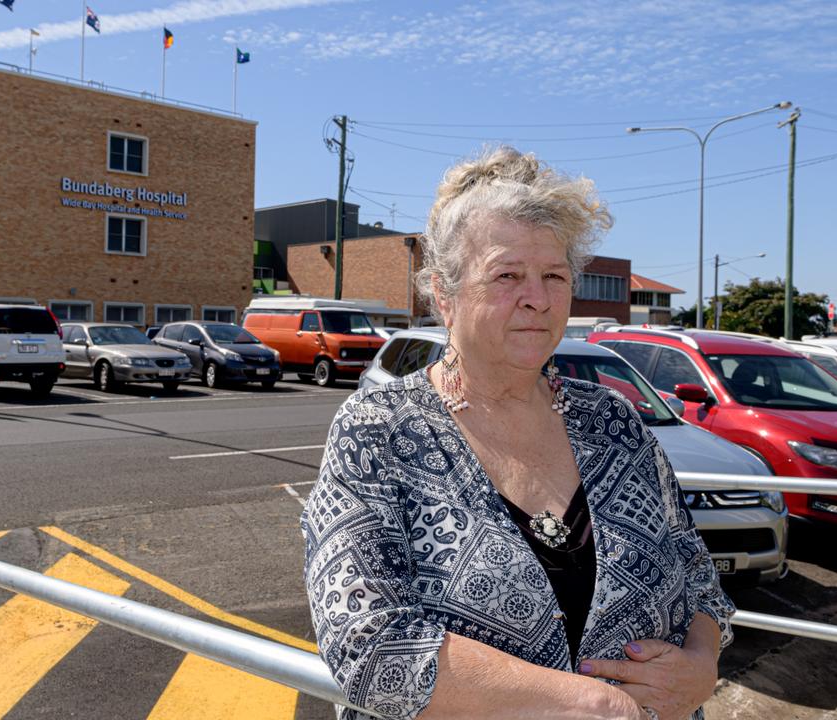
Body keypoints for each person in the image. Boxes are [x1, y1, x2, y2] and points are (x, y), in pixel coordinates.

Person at [301, 147, 734, 720]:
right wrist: (593, 704)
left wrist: (702, 666)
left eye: (554, 275)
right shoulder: (377, 431)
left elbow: (698, 574)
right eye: (507, 275)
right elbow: (366, 641)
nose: (539, 296)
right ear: (445, 295)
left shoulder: (613, 422)